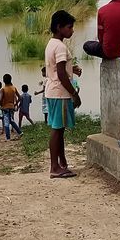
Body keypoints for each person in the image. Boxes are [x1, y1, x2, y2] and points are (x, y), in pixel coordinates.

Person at [44, 10, 83, 177]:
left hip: (51, 91)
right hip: (60, 93)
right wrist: (74, 93)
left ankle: (61, 163)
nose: (72, 30)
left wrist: (71, 68)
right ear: (59, 27)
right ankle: (54, 167)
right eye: (69, 27)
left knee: (58, 129)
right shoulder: (60, 46)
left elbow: (55, 68)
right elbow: (60, 73)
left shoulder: (51, 43)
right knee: (57, 130)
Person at [0, 73, 22, 140]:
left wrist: (1, 105)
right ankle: (20, 132)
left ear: (3, 80)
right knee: (11, 121)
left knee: (6, 123)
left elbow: (0, 99)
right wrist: (15, 104)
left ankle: (8, 137)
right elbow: (20, 97)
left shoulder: (3, 89)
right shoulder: (13, 88)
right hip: (11, 107)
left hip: (5, 108)